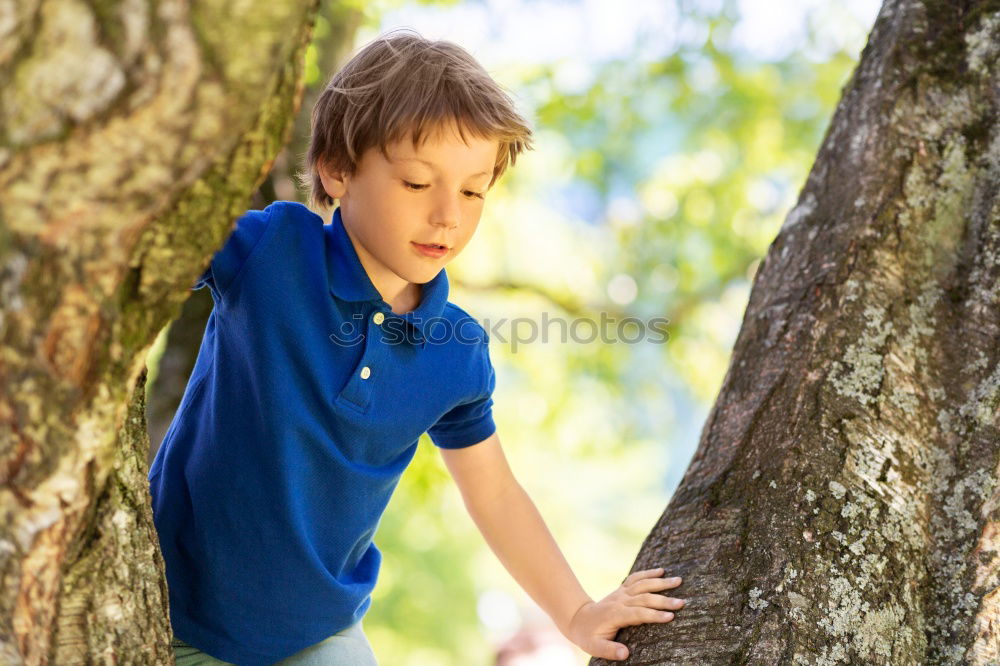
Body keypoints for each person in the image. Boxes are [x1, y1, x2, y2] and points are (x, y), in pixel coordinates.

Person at [148, 29, 685, 666]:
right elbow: (139, 239)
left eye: (471, 189)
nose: (446, 216)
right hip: (171, 617)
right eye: (415, 183)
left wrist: (575, 613)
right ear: (338, 170)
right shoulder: (272, 251)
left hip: (318, 636)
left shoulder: (456, 352)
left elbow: (495, 493)